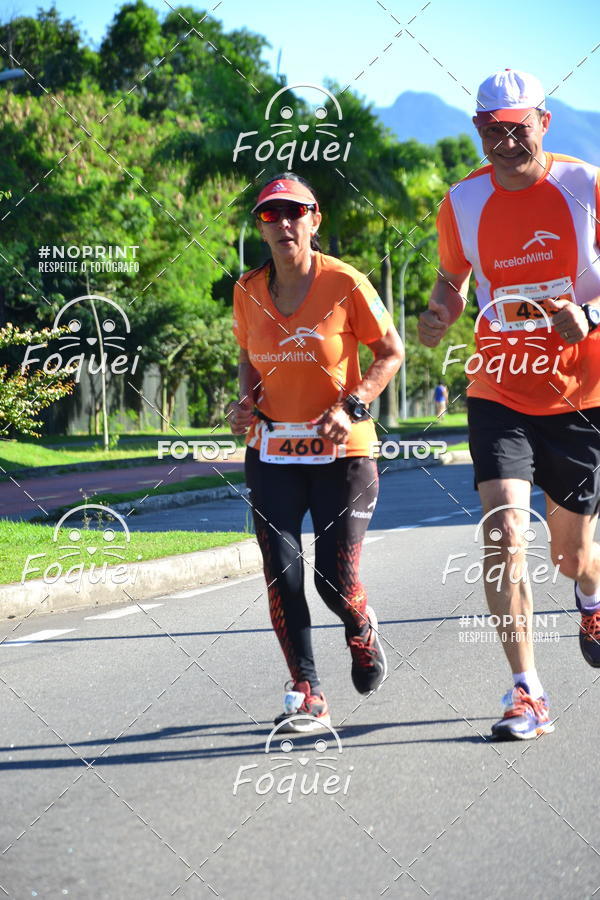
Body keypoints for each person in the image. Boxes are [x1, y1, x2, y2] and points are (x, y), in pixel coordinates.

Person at [418, 69, 600, 740]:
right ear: (478, 132)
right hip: (498, 385)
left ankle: (591, 595)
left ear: (543, 124)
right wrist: (441, 309)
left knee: (571, 553)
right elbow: (452, 277)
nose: (506, 143)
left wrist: (588, 311)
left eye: (518, 130)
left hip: (583, 393)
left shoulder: (585, 185)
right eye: (493, 132)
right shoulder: (462, 201)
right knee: (502, 531)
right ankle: (527, 691)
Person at [228, 172, 404, 732]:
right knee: (281, 572)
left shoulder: (345, 283)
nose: (283, 223)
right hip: (274, 449)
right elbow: (249, 360)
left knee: (332, 578)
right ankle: (307, 690)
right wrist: (245, 403)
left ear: (314, 220)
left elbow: (390, 352)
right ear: (261, 225)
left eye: (294, 213)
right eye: (270, 215)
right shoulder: (248, 290)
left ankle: (361, 628)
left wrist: (352, 406)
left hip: (343, 453)